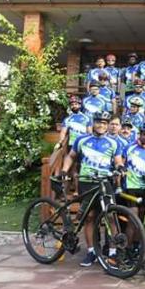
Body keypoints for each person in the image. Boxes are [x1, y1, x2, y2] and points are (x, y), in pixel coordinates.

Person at [60, 111, 121, 267]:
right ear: (93, 123)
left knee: (110, 216)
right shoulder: (82, 140)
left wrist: (120, 167)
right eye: (98, 122)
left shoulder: (113, 142)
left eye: (104, 123)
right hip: (86, 182)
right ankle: (91, 251)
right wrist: (64, 170)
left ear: (108, 125)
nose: (101, 125)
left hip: (105, 183)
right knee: (90, 217)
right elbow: (71, 156)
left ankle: (113, 252)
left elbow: (118, 160)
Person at [114, 121, 145, 222]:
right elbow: (120, 166)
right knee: (133, 217)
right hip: (130, 187)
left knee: (140, 219)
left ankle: (137, 234)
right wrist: (118, 185)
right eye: (144, 134)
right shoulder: (129, 148)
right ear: (140, 134)